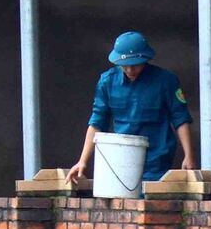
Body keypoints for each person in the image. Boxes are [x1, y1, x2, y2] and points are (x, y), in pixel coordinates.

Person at [65, 31, 195, 188]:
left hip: (157, 160)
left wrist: (189, 155)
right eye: (125, 65)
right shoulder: (107, 82)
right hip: (122, 160)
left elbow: (180, 119)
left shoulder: (165, 81)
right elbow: (97, 123)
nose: (130, 70)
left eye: (135, 65)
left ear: (145, 59)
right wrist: (82, 161)